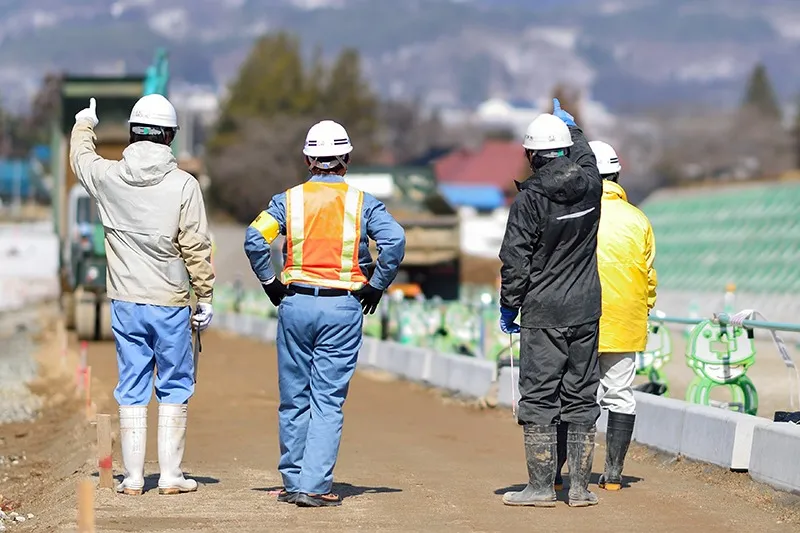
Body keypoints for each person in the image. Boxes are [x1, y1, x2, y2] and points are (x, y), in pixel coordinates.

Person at [244, 119, 405, 508]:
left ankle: (293, 480)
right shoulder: (363, 203)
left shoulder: (288, 201)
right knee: (327, 399)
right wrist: (376, 284)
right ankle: (315, 486)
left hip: (295, 303)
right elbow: (395, 240)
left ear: (307, 159)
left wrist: (270, 282)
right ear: (346, 159)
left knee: (294, 397)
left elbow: (254, 238)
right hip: (343, 306)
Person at [70, 95, 215, 496]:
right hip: (169, 303)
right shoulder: (184, 185)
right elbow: (196, 246)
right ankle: (170, 475)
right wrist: (204, 295)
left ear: (133, 133)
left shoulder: (109, 177)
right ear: (169, 136)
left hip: (125, 302)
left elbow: (81, 159)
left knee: (131, 383)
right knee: (174, 384)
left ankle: (133, 478)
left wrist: (85, 124)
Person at [499, 99, 603, 508]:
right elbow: (587, 158)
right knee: (581, 394)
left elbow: (515, 260)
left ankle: (542, 487)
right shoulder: (593, 185)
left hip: (543, 312)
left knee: (540, 397)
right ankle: (578, 489)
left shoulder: (529, 202)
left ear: (530, 155)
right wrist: (573, 129)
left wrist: (510, 306)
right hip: (586, 308)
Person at [553, 140, 657, 491]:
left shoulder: (574, 212)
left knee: (572, 393)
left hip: (578, 314)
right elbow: (649, 275)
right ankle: (613, 475)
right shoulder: (638, 218)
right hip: (625, 318)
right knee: (620, 392)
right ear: (617, 174)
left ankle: (555, 474)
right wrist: (643, 306)